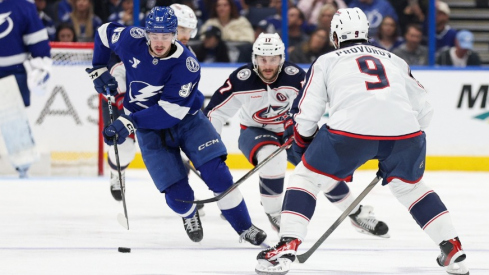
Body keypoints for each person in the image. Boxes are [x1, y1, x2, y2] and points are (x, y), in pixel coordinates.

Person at [255, 8, 470, 275]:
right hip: (407, 136)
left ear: (335, 34)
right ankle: (451, 247)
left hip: (349, 134)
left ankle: (288, 244)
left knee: (306, 178)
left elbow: (307, 114)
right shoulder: (394, 59)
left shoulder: (326, 60)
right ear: (366, 33)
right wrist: (398, 142)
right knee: (410, 188)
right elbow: (424, 109)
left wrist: (302, 143)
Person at [86, 6, 267, 246]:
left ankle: (245, 228)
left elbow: (169, 113)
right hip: (149, 130)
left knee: (218, 175)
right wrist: (99, 67)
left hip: (188, 122)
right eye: (154, 35)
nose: (159, 42)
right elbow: (103, 32)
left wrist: (128, 122)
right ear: (146, 32)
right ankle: (189, 214)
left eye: (166, 35)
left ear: (174, 35)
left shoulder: (186, 65)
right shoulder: (131, 39)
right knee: (178, 197)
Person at [204, 32, 389, 238]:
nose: (267, 65)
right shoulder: (242, 79)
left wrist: (298, 128)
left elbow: (310, 107)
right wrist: (210, 145)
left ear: (281, 58)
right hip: (254, 131)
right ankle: (275, 213)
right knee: (272, 156)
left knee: (320, 169)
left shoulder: (294, 76)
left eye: (273, 59)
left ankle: (354, 213)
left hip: (290, 131)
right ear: (254, 59)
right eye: (263, 59)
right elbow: (215, 112)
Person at [100, 4, 203, 204]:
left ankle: (185, 196)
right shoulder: (139, 45)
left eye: (189, 31)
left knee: (178, 147)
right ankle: (116, 172)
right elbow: (116, 71)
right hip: (125, 101)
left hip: (157, 109)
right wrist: (117, 94)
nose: (186, 36)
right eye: (182, 30)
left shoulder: (187, 56)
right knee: (125, 148)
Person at [0, 0, 52, 178]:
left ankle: (23, 167)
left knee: (13, 122)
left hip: (13, 73)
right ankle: (23, 167)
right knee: (13, 121)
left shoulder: (22, 6)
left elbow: (38, 43)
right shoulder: (24, 6)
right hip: (13, 73)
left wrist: (41, 65)